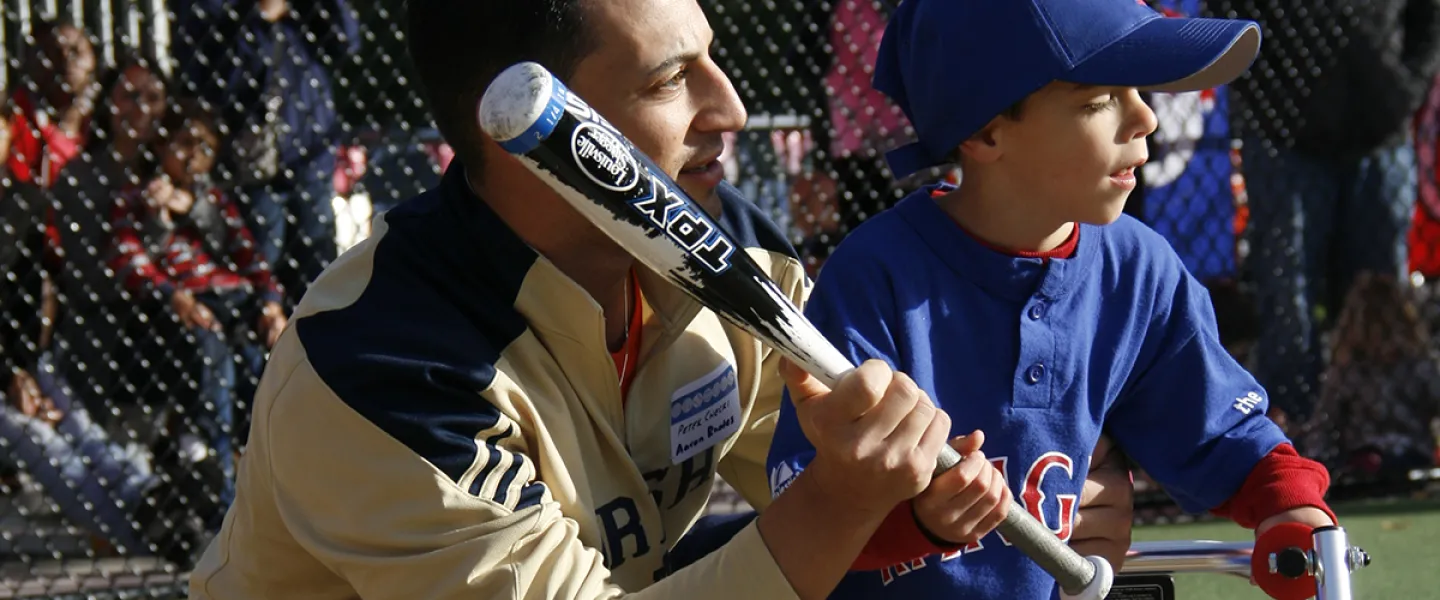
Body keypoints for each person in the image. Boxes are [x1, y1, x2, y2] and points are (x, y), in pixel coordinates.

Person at [187, 1, 1135, 598]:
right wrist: (834, 509)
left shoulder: (736, 266)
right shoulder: (379, 366)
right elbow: (815, 518)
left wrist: (1027, 488)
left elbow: (841, 487)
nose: (729, 109)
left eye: (711, 57)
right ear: (527, 124)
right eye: (670, 79)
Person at [765, 0, 1339, 598]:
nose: (1145, 118)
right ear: (986, 130)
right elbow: (805, 502)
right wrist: (919, 522)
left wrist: (1289, 503)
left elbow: (1215, 431)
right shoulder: (876, 276)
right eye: (1099, 100)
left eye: (1139, 91)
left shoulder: (1138, 268)